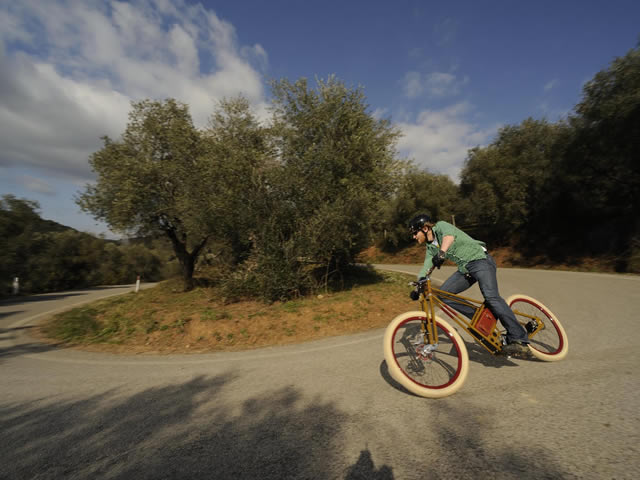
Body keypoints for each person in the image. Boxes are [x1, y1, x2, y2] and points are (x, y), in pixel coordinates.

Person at [408, 213, 530, 355]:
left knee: (491, 297)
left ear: (425, 228)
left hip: (480, 260)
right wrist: (418, 286)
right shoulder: (430, 247)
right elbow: (426, 268)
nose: (414, 237)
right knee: (444, 294)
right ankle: (479, 318)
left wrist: (442, 253)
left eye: (415, 233)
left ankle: (519, 340)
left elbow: (449, 237)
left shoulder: (441, 226)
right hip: (465, 270)